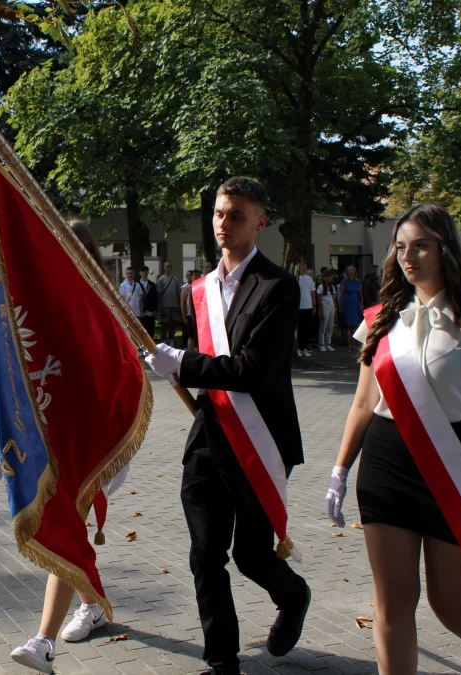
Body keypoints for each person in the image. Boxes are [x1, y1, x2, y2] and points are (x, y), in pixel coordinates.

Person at [327, 203, 461, 675]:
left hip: (456, 468)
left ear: (446, 249)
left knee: (450, 605)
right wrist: (339, 470)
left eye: (421, 245)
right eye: (401, 247)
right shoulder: (381, 321)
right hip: (388, 466)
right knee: (391, 604)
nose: (408, 256)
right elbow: (363, 404)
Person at [143, 177, 309, 675]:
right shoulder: (199, 289)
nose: (223, 223)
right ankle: (221, 660)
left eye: (236, 214)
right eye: (218, 213)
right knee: (204, 555)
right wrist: (174, 363)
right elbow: (203, 363)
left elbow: (252, 371)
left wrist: (182, 363)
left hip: (261, 441)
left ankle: (294, 594)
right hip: (210, 438)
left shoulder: (280, 287)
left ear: (260, 221)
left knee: (252, 557)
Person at [7, 222, 126, 672]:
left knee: (65, 522)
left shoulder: (103, 303)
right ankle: (90, 604)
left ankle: (43, 641)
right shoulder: (35, 302)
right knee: (66, 522)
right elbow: (17, 372)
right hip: (47, 433)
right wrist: (4, 433)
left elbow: (119, 373)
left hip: (93, 438)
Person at [156, 261, 182, 345]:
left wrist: (179, 306)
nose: (168, 268)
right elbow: (159, 294)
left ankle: (171, 341)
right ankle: (163, 341)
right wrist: (161, 306)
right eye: (167, 266)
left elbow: (178, 293)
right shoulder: (161, 280)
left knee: (173, 325)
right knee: (165, 325)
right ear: (164, 267)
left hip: (174, 306)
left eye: (170, 267)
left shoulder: (175, 279)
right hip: (165, 306)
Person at [340, 265, 364, 348]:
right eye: (349, 270)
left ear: (355, 271)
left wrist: (361, 305)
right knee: (349, 325)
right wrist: (341, 306)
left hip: (355, 302)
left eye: (352, 270)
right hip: (347, 302)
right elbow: (342, 295)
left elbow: (360, 294)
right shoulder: (344, 282)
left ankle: (354, 343)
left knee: (355, 324)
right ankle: (349, 343)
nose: (351, 271)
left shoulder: (358, 282)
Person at [296, 260, 316, 357]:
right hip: (299, 306)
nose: (303, 267)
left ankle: (304, 348)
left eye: (305, 265)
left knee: (306, 328)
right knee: (299, 328)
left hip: (308, 306)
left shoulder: (309, 279)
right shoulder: (296, 278)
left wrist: (314, 305)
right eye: (302, 265)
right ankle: (298, 348)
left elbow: (312, 293)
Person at [317, 269, 339, 352]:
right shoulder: (321, 287)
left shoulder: (332, 287)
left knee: (330, 326)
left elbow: (334, 299)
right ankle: (321, 344)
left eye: (330, 277)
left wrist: (335, 310)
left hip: (331, 306)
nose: (328, 279)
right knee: (323, 326)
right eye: (326, 277)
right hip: (324, 306)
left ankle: (328, 343)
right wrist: (321, 311)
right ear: (324, 277)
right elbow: (319, 300)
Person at [136, 266, 157, 339]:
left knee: (151, 330)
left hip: (150, 311)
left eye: (146, 271)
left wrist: (155, 309)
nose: (144, 273)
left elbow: (155, 298)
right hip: (140, 311)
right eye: (142, 271)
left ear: (148, 272)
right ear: (140, 273)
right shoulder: (136, 284)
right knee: (141, 331)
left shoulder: (152, 285)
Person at [180, 269, 198, 351]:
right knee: (191, 336)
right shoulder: (186, 289)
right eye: (195, 275)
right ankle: (190, 352)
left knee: (197, 335)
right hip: (190, 315)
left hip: (199, 316)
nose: (197, 277)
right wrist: (184, 316)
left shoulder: (201, 287)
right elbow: (182, 303)